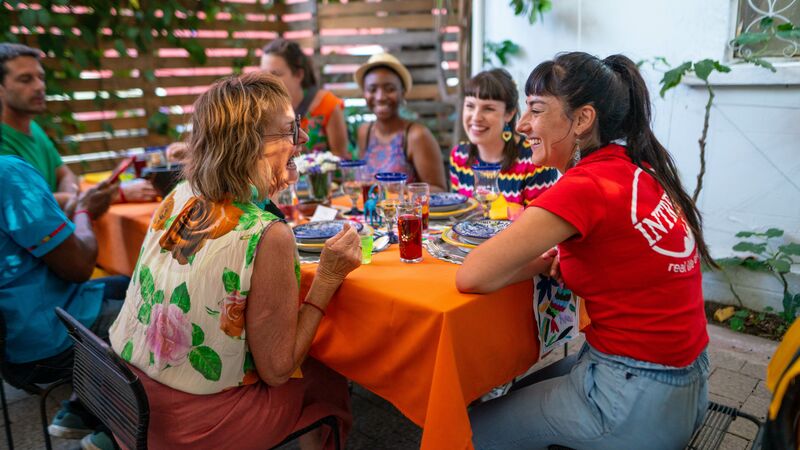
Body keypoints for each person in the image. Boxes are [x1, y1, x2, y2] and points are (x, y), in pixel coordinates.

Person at [457, 52, 712, 450]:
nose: (522, 125)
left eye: (536, 109)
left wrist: (540, 261)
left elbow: (472, 274)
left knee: (462, 431)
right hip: (685, 383)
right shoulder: (634, 166)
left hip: (632, 396)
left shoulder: (584, 185)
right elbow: (623, 258)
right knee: (506, 396)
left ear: (582, 119)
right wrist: (552, 260)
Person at [108, 72, 361, 450]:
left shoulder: (182, 193)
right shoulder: (267, 234)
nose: (303, 140)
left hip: (126, 402)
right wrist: (327, 278)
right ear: (249, 145)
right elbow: (276, 370)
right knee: (323, 371)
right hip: (191, 429)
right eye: (291, 131)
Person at [0, 102, 129, 450]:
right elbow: (78, 266)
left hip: (13, 336)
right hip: (43, 340)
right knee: (165, 313)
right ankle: (120, 432)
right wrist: (86, 211)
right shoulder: (7, 173)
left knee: (130, 284)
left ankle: (81, 407)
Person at [0, 43, 157, 209]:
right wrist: (110, 195)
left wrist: (72, 198)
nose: (39, 86)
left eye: (41, 78)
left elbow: (65, 174)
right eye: (25, 80)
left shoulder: (32, 127)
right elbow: (28, 203)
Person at [450, 69, 558, 206]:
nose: (476, 117)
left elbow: (541, 223)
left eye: (488, 108)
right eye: (470, 106)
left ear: (509, 114)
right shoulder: (459, 155)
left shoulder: (536, 160)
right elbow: (456, 214)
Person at [354, 52, 447, 192]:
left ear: (402, 92)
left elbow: (440, 190)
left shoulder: (416, 136)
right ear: (364, 93)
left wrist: (397, 191)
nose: (380, 97)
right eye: (372, 89)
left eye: (390, 89)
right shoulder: (364, 132)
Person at [261, 38, 349, 158]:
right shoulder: (263, 110)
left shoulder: (327, 104)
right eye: (264, 75)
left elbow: (340, 157)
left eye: (276, 74)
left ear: (298, 75)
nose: (268, 81)